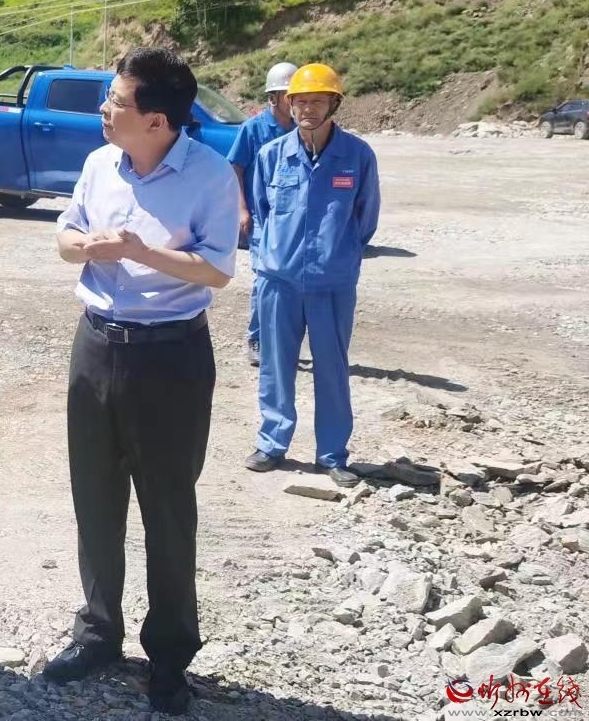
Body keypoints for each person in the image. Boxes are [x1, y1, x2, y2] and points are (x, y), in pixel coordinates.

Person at [44, 48, 239, 716]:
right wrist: (84, 247)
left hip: (170, 357)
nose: (105, 110)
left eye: (117, 101)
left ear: (157, 120)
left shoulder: (211, 175)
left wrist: (137, 251)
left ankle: (170, 657)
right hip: (97, 345)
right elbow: (65, 236)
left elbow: (216, 270)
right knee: (95, 498)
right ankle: (98, 632)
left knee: (167, 509)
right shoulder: (101, 164)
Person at [242, 63, 380, 488]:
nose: (307, 109)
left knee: (332, 369)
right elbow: (261, 213)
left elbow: (365, 219)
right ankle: (272, 443)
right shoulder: (272, 155)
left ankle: (332, 454)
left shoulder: (357, 156)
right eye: (299, 102)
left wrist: (338, 257)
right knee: (275, 366)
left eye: (317, 101)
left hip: (332, 283)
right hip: (278, 282)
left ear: (334, 104)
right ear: (288, 104)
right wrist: (271, 258)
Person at [226, 61, 297, 365]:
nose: (295, 103)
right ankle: (256, 338)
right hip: (261, 218)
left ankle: (282, 338)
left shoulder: (302, 130)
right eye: (290, 96)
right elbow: (235, 168)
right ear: (274, 97)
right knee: (264, 280)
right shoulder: (253, 129)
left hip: (291, 220)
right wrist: (241, 209)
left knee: (291, 281)